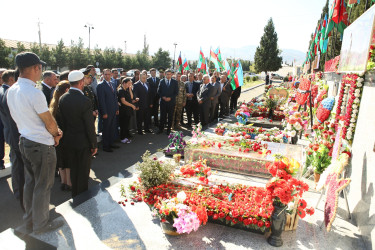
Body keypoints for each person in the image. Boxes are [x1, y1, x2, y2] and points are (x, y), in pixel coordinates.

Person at [7, 52, 63, 234]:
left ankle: (29, 221)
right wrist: (57, 134)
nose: (41, 71)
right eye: (40, 68)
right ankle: (41, 224)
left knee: (30, 184)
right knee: (43, 186)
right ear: (36, 68)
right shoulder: (34, 92)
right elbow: (48, 121)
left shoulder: (12, 90)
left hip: (25, 141)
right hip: (40, 144)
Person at [58, 71, 98, 198]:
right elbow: (89, 126)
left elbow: (62, 122)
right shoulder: (84, 100)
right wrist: (93, 144)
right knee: (83, 173)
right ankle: (82, 199)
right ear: (81, 82)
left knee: (74, 171)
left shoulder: (62, 98)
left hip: (68, 141)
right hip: (83, 143)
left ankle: (75, 196)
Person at [0, 69, 25, 210]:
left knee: (16, 163)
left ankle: (18, 191)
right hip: (14, 135)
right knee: (18, 166)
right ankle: (20, 193)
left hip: (10, 133)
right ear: (11, 79)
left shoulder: (3, 91)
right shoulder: (7, 93)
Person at [49, 81, 71, 191]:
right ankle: (69, 183)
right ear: (67, 90)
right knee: (68, 160)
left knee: (61, 160)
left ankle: (63, 182)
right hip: (66, 135)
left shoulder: (53, 104)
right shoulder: (65, 103)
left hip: (58, 136)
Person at [97, 69, 119, 152]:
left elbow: (115, 98)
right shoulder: (100, 86)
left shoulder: (113, 84)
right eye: (105, 74)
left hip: (113, 110)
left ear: (111, 75)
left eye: (109, 74)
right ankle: (106, 146)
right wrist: (104, 112)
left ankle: (111, 143)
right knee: (106, 129)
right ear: (103, 75)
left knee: (112, 128)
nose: (107, 76)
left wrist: (116, 108)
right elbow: (101, 101)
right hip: (107, 112)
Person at [157, 69, 179, 135]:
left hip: (171, 102)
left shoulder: (175, 82)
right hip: (163, 102)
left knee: (170, 116)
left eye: (170, 74)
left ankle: (169, 129)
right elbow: (159, 91)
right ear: (165, 74)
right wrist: (163, 97)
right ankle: (161, 129)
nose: (168, 75)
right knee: (162, 116)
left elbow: (176, 92)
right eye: (167, 74)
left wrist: (170, 98)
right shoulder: (161, 81)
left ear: (171, 74)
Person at [118, 78, 136, 143]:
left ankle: (125, 137)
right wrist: (132, 105)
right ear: (124, 83)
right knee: (123, 125)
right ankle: (122, 138)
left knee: (126, 124)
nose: (129, 85)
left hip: (128, 110)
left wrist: (130, 89)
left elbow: (131, 97)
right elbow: (123, 101)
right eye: (128, 83)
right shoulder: (121, 90)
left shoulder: (126, 90)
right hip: (123, 110)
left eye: (130, 84)